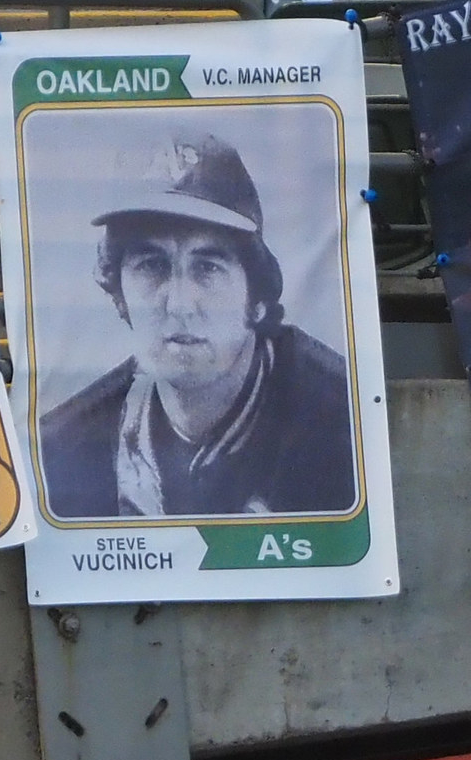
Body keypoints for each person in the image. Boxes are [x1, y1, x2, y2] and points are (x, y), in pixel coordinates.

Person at [37, 129, 357, 519]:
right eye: (151, 266)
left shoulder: (344, 422)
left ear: (255, 294)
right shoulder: (65, 446)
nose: (180, 304)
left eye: (208, 267)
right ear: (119, 293)